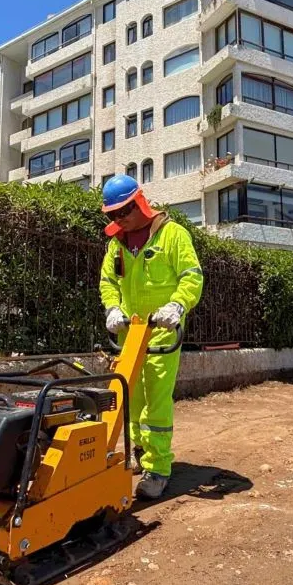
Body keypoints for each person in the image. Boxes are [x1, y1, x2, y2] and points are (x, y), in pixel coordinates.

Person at [99, 174, 204, 500]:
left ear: (139, 203)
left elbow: (191, 276)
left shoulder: (173, 236)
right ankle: (139, 452)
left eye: (123, 211)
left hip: (160, 333)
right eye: (112, 215)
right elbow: (108, 283)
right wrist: (112, 309)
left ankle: (158, 468)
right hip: (130, 335)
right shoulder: (116, 244)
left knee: (156, 403)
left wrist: (177, 304)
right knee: (130, 399)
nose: (119, 219)